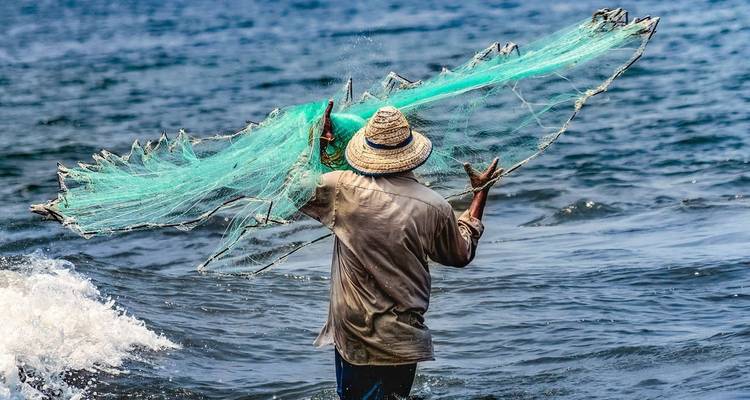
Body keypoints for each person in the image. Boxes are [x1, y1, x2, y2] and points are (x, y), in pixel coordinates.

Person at [302, 100, 502, 400]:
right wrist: (479, 194)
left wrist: (319, 147)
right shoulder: (435, 206)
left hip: (356, 332)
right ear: (411, 154)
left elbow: (293, 190)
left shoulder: (341, 187)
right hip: (404, 337)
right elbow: (461, 254)